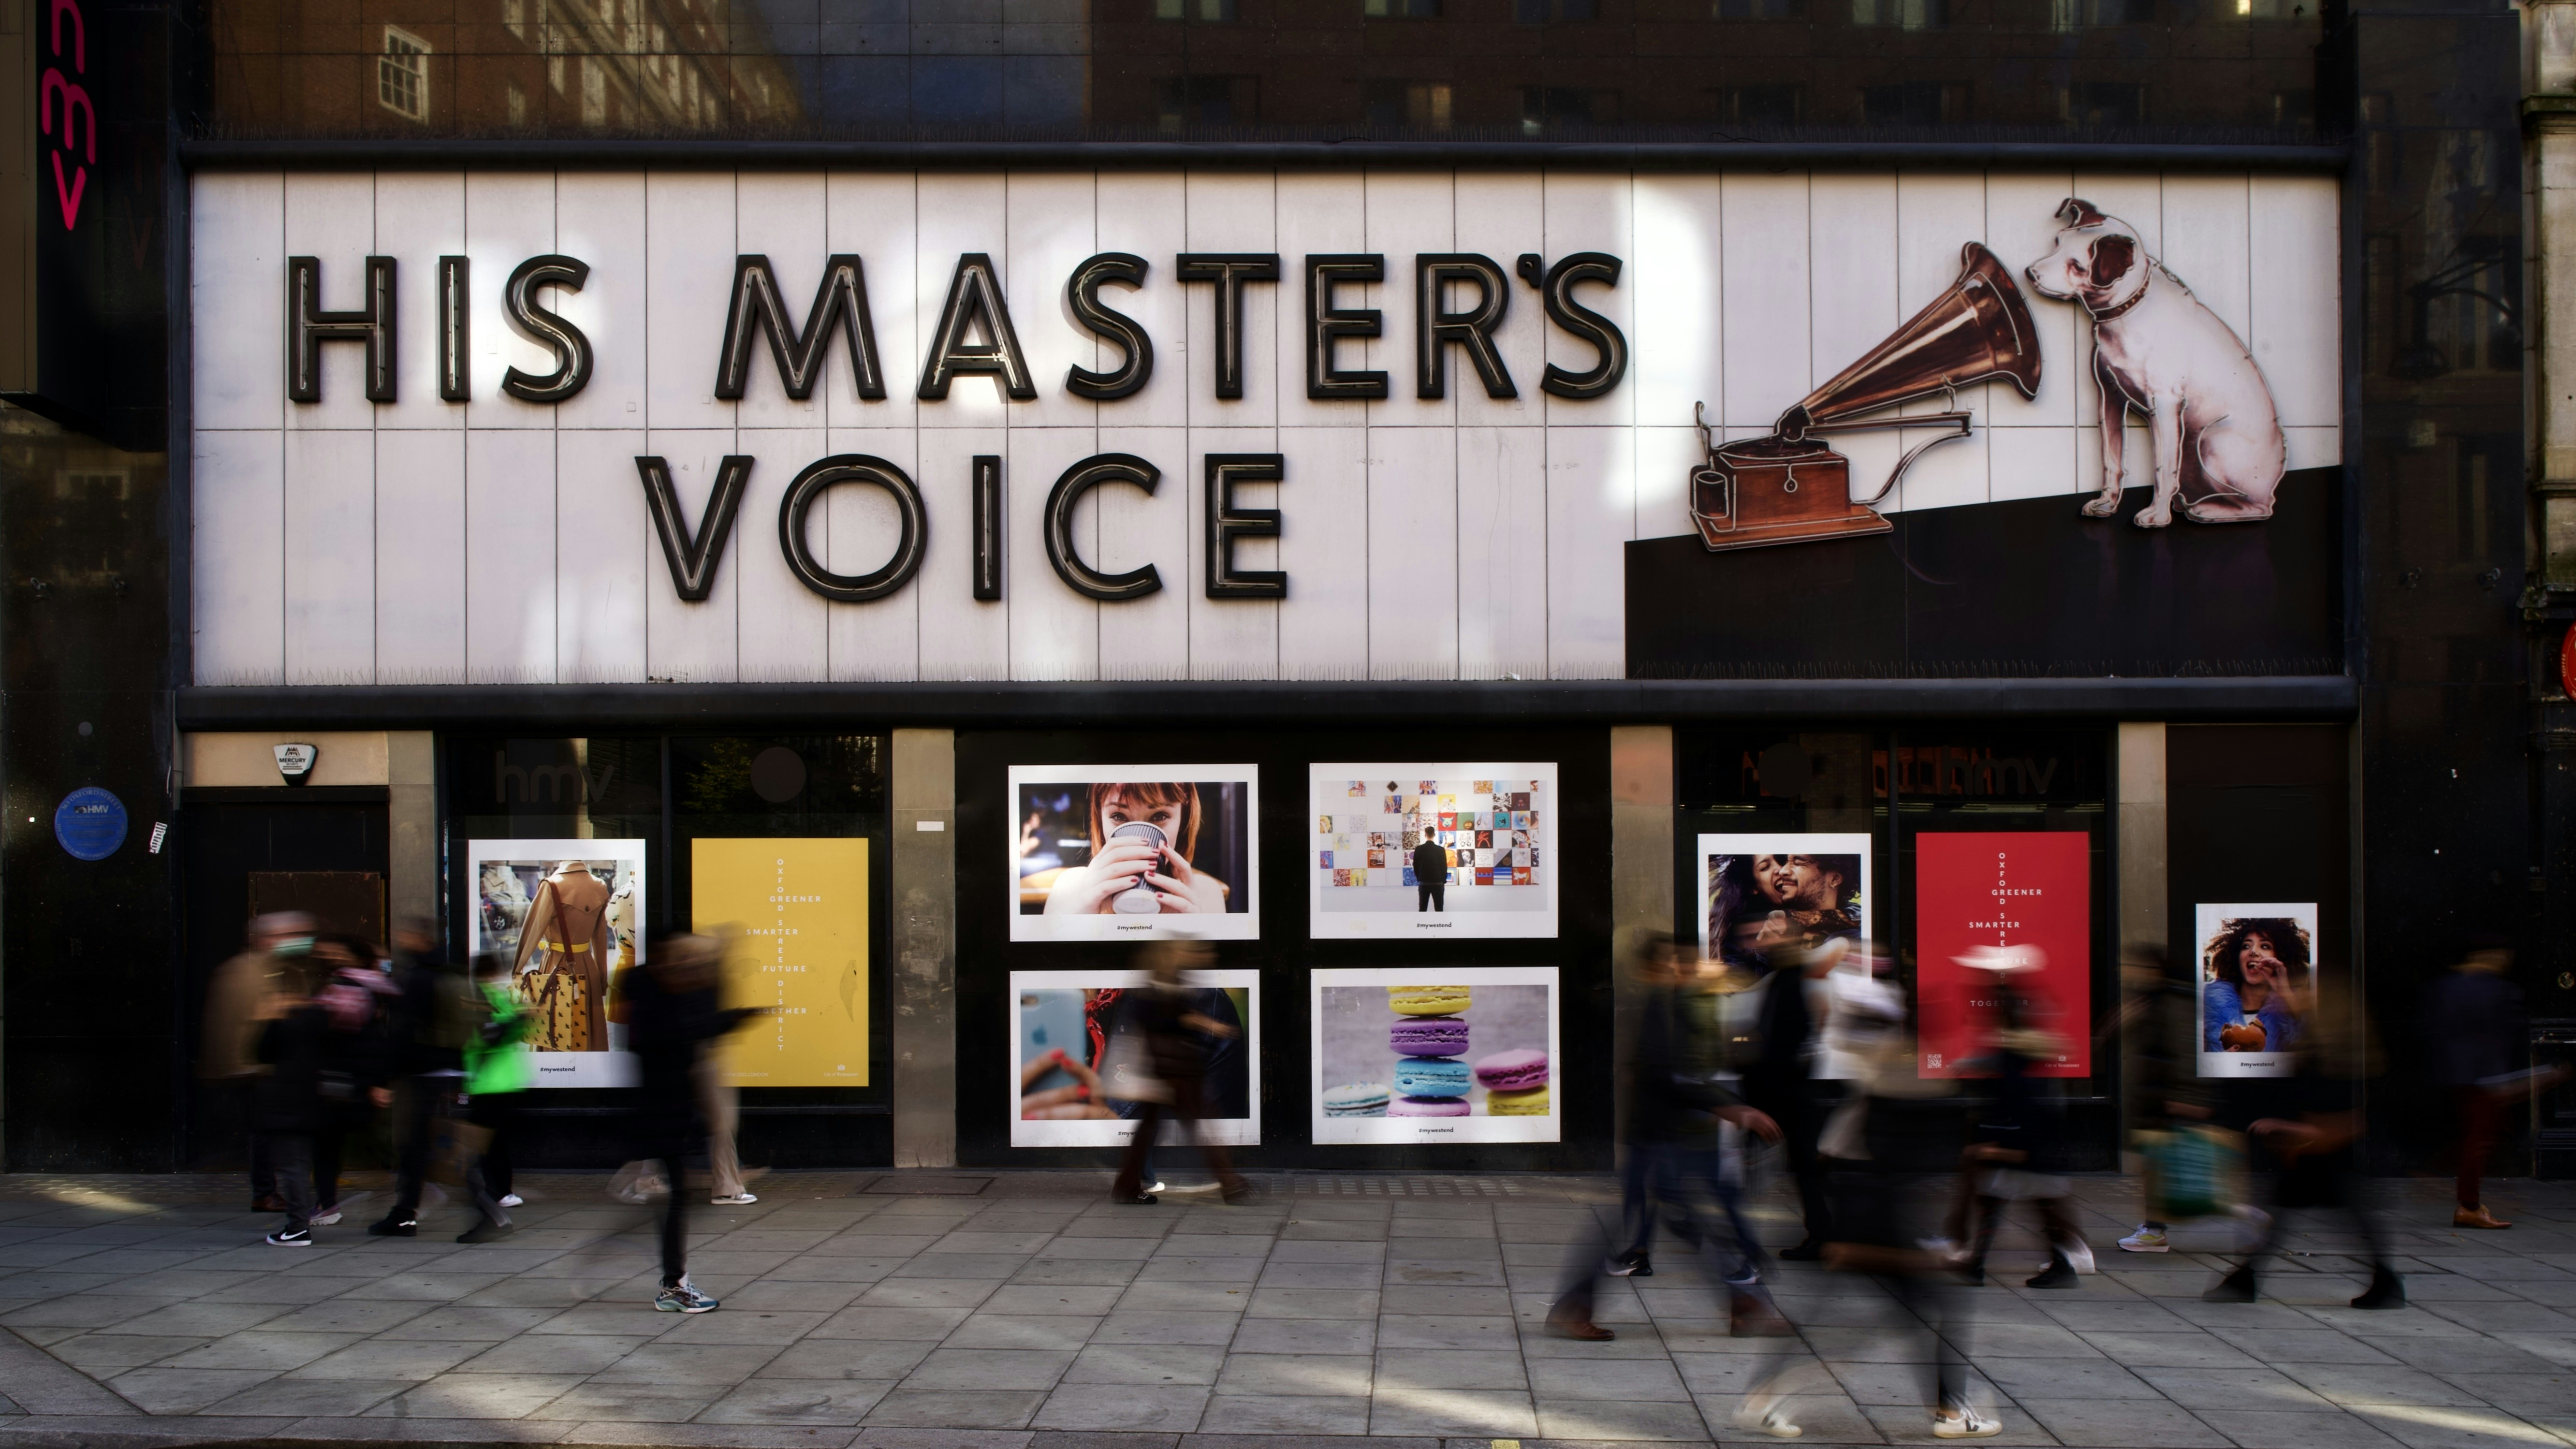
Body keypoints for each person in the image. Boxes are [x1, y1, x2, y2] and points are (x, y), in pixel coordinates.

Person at [1552, 927, 1781, 1342]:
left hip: (1675, 1133)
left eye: (1689, 962)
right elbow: (1667, 1074)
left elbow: (1683, 1068)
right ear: (1654, 967)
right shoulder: (1660, 1006)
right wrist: (1728, 1106)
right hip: (1661, 1134)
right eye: (1675, 962)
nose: (1685, 969)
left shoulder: (1676, 1003)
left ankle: (1745, 1306)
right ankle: (1574, 1306)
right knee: (1674, 1223)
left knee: (1685, 1222)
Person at [2202, 976, 2403, 1309]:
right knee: (2296, 1214)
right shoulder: (2313, 1047)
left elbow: (2341, 1123)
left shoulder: (2338, 1060)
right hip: (2309, 1155)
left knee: (2341, 1217)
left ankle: (2386, 1281)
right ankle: (2243, 1279)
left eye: (2307, 992)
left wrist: (2284, 1127)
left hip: (2328, 1155)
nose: (2296, 996)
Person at [623, 932, 761, 1311]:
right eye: (681, 959)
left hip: (673, 1113)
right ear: (664, 961)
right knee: (677, 1201)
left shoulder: (664, 996)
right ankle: (674, 1286)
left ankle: (675, 1282)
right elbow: (693, 1031)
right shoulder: (657, 1003)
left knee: (678, 1200)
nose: (688, 967)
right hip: (664, 1114)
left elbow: (704, 1022)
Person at [1951, 948, 2084, 1290]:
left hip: (2026, 1134)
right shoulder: (2017, 1028)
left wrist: (1998, 1142)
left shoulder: (2016, 1031)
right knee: (2012, 1197)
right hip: (2028, 1132)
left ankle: (2054, 1262)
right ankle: (1980, 1262)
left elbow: (2020, 1089)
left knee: (2025, 1199)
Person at [1110, 940, 1250, 1205]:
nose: (1204, 956)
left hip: (1170, 1071)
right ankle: (1230, 1183)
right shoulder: (1157, 989)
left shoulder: (1171, 984)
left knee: (1156, 1129)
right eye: (1192, 951)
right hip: (1172, 1072)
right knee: (1197, 1127)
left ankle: (1127, 1185)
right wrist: (1198, 1022)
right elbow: (1158, 1022)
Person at [201, 912, 317, 1212]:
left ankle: (268, 1191)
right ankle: (267, 1193)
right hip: (256, 1067)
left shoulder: (266, 968)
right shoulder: (253, 972)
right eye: (292, 934)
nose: (299, 940)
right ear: (268, 939)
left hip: (254, 1065)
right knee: (267, 1135)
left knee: (265, 1134)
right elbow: (263, 1018)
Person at [372, 919, 477, 1238]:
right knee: (448, 1145)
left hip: (424, 1072)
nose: (401, 940)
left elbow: (403, 1031)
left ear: (418, 939)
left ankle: (406, 1213)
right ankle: (486, 1205)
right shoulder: (451, 972)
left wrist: (386, 1076)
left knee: (417, 1146)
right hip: (453, 1068)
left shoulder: (417, 977)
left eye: (405, 935)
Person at [2110, 943, 2217, 1253]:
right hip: (2156, 1099)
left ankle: (2156, 1231)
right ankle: (2154, 1229)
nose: (2127, 974)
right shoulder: (2153, 1001)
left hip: (2171, 1100)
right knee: (2157, 1168)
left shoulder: (2176, 1002)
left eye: (2134, 968)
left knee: (2170, 1169)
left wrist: (2188, 1097)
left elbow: (2185, 1052)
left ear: (2154, 971)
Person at [1743, 934, 1840, 1260]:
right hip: (1792, 1092)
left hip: (1789, 1094)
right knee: (1803, 1168)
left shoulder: (1791, 983)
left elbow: (1782, 1041)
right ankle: (1822, 1233)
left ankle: (1823, 1234)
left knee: (1803, 1168)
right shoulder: (1789, 981)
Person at [2428, 939, 2528, 1230]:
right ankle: (2469, 1206)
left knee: (2474, 1138)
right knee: (2480, 1141)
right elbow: (2502, 1037)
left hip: (2456, 1074)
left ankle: (2469, 1203)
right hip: (2486, 1077)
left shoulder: (2446, 987)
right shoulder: (2499, 990)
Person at [1044, 783, 1233, 916]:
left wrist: (1192, 936)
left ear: (1183, 821)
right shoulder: (1071, 889)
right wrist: (1078, 926)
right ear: (1100, 818)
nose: (1137, 843)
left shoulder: (1205, 894)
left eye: (1159, 815)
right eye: (1119, 816)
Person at [457, 949, 534, 1243]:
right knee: (496, 1144)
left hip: (488, 1084)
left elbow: (486, 1038)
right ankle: (503, 1191)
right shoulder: (501, 998)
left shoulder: (481, 999)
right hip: (507, 1083)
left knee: (482, 1148)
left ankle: (495, 1196)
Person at [2203, 917, 2308, 1053]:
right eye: (2246, 946)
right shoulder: (2208, 1002)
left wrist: (2286, 993)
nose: (2253, 951)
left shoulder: (2291, 1012)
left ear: (2281, 957)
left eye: (2265, 946)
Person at [1412, 822, 1449, 912]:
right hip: (1438, 883)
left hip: (1423, 882)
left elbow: (1416, 866)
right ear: (1434, 835)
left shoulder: (1419, 849)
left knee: (1423, 909)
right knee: (1439, 909)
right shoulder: (1440, 850)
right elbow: (1444, 867)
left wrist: (1419, 878)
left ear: (1425, 835)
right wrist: (1443, 881)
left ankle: (1422, 925)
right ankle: (1440, 925)